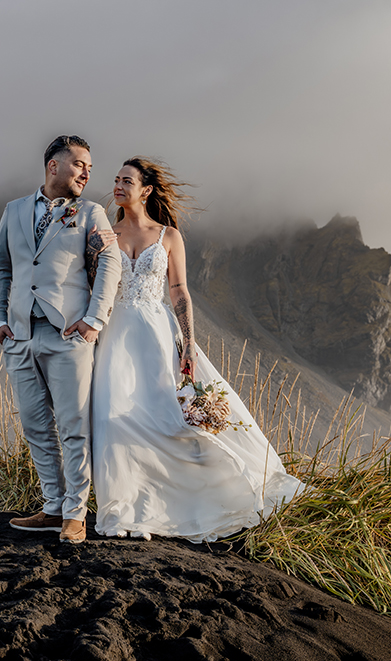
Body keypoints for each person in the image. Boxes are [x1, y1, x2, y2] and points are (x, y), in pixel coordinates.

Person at [90, 157, 304, 542]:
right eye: (116, 180)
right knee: (111, 419)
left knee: (169, 420)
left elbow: (179, 291)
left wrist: (189, 342)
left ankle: (203, 497)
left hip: (157, 334)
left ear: (146, 190)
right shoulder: (106, 232)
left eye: (127, 181)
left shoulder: (168, 236)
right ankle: (122, 508)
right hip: (116, 334)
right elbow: (95, 285)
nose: (117, 186)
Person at [0, 135, 122, 544]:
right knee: (35, 425)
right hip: (20, 336)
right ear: (54, 166)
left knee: (73, 426)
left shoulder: (91, 213)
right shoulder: (12, 212)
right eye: (80, 164)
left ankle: (75, 513)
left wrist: (93, 320)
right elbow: (0, 269)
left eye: (89, 168)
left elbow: (110, 265)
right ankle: (52, 506)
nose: (86, 172)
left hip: (68, 337)